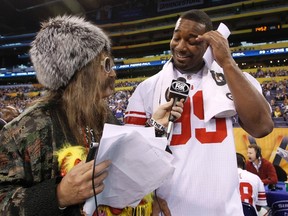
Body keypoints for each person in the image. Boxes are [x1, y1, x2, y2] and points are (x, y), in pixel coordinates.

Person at [0, 15, 184, 216]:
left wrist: (154, 127)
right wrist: (58, 195)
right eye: (106, 65)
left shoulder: (104, 115)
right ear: (80, 70)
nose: (113, 74)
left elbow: (122, 170)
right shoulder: (24, 130)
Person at [124, 9, 273, 215]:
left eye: (192, 41)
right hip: (168, 209)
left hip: (223, 209)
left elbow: (262, 127)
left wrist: (227, 63)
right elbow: (128, 156)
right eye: (176, 38)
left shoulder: (233, 79)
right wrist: (146, 198)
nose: (181, 46)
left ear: (208, 45)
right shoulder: (147, 88)